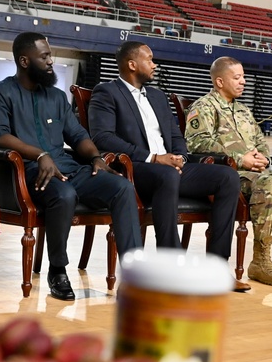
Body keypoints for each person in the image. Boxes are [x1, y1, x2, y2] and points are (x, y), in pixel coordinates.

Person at [0, 32, 142, 301]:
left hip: (68, 169)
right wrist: (40, 154)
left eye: (49, 55)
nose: (50, 61)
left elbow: (78, 135)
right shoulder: (1, 93)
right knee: (64, 194)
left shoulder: (56, 97)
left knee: (122, 187)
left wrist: (95, 158)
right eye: (44, 56)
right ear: (24, 60)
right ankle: (57, 270)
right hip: (30, 173)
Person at [88, 41, 248, 292]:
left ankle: (217, 267)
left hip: (170, 168)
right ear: (132, 64)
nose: (154, 65)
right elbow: (103, 138)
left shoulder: (157, 96)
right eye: (149, 59)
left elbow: (175, 136)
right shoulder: (106, 92)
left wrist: (181, 158)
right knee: (166, 175)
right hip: (137, 169)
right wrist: (153, 157)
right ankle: (170, 267)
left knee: (227, 176)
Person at [185, 56, 272, 286]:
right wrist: (241, 159)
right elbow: (198, 144)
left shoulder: (243, 110)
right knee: (268, 185)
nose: (243, 82)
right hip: (229, 175)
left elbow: (260, 141)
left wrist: (264, 158)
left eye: (244, 77)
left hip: (256, 172)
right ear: (219, 82)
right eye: (237, 77)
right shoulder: (203, 107)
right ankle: (260, 261)